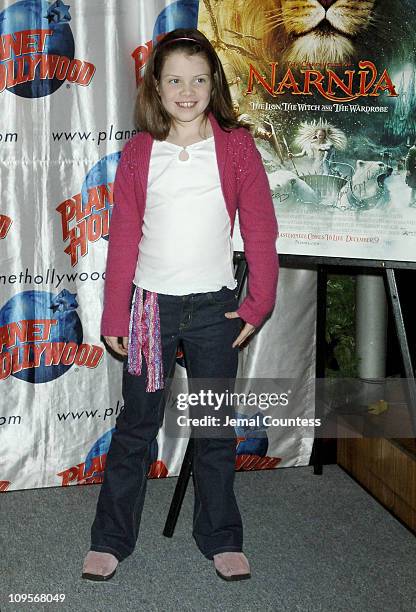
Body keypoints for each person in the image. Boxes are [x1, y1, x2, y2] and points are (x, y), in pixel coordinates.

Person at [82, 27, 278, 583]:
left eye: (197, 79)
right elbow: (123, 237)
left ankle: (220, 537)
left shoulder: (237, 147)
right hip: (148, 312)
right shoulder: (141, 152)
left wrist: (256, 304)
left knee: (214, 428)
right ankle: (111, 540)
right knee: (136, 428)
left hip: (217, 311)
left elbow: (260, 230)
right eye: (174, 80)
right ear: (157, 87)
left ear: (213, 82)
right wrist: (114, 314)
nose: (186, 91)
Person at [405, 140, 416, 207]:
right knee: (414, 187)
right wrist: (408, 170)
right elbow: (407, 160)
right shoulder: (413, 149)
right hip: (414, 171)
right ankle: (412, 201)